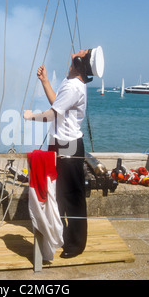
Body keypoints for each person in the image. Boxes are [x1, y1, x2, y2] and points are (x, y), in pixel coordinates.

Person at [24, 47, 104, 258]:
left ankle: (77, 244)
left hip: (68, 145)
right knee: (58, 193)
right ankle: (62, 235)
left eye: (84, 51)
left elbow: (51, 115)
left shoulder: (74, 87)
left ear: (80, 61)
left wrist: (31, 116)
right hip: (58, 144)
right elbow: (57, 105)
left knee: (72, 197)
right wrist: (45, 82)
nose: (80, 49)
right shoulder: (70, 82)